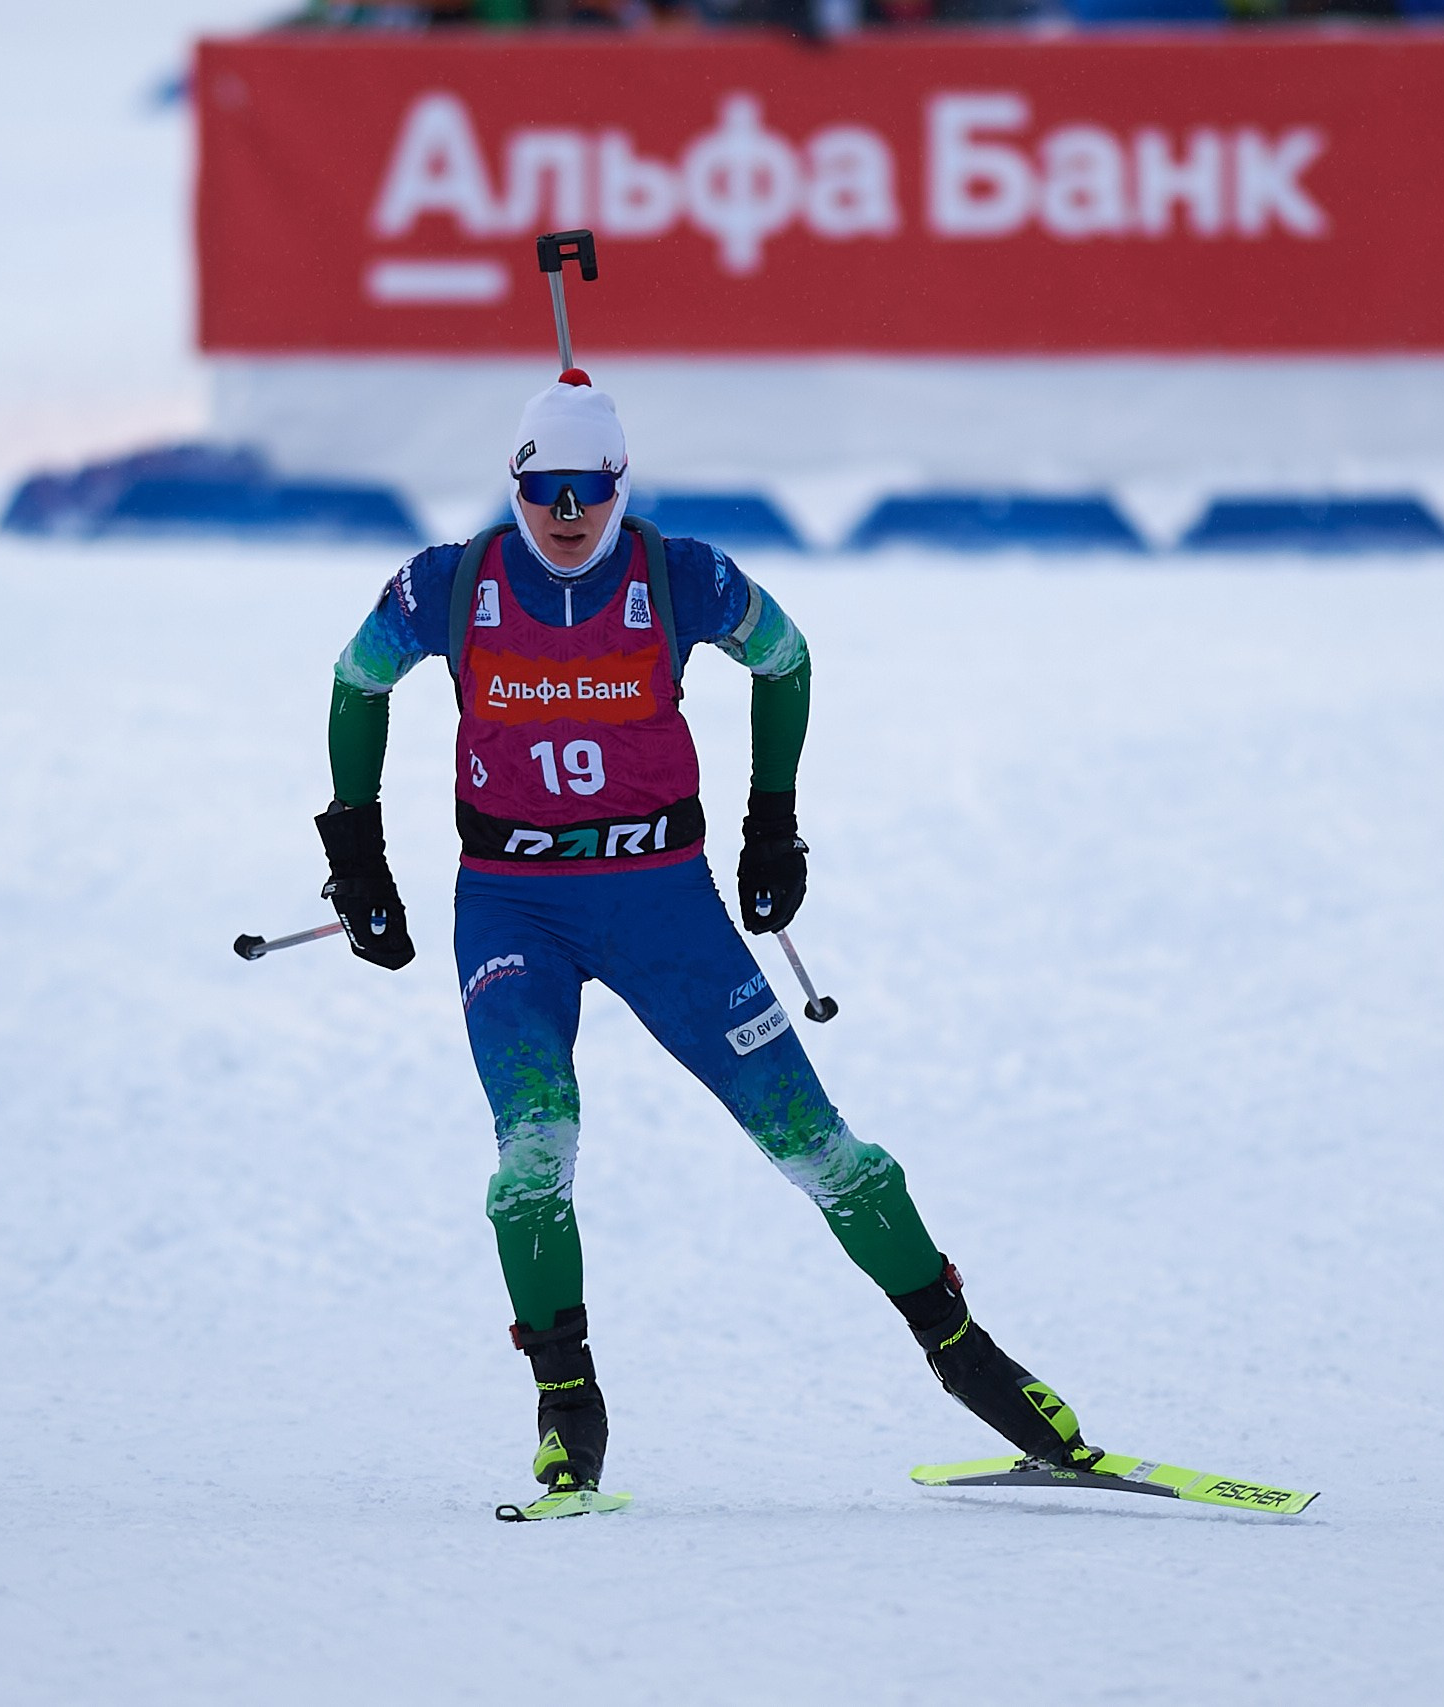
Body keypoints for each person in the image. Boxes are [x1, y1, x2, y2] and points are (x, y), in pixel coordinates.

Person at [317, 374, 1092, 1515]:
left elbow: (786, 659)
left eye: (589, 489)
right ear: (517, 487)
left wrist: (771, 822)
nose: (566, 513)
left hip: (662, 902)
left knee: (821, 1150)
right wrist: (355, 849)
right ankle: (566, 1407)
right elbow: (356, 677)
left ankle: (968, 1357)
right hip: (511, 908)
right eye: (543, 490)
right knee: (534, 1157)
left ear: (621, 486)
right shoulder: (452, 582)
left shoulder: (681, 575)